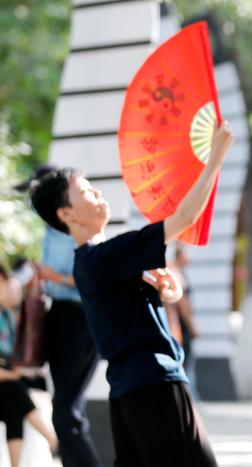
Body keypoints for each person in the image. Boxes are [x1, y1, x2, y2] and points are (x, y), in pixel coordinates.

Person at [28, 121, 234, 467]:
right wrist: (215, 157)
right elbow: (182, 218)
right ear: (66, 214)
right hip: (153, 384)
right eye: (87, 192)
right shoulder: (101, 259)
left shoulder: (101, 261)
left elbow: (160, 291)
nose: (99, 194)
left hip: (132, 389)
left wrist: (169, 291)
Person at [15, 164, 103, 467]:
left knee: (66, 413)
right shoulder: (51, 229)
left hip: (80, 319)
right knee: (63, 409)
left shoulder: (76, 228)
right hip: (60, 317)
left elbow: (89, 276)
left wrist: (54, 276)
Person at [0, 265, 58, 467]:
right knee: (14, 389)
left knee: (11, 408)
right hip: (6, 382)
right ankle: (54, 440)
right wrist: (14, 375)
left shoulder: (7, 316)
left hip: (5, 386)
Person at [166, 244, 200, 396]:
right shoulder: (177, 274)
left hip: (176, 328)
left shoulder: (174, 272)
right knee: (185, 366)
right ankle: (189, 398)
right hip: (180, 329)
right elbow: (183, 304)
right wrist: (192, 327)